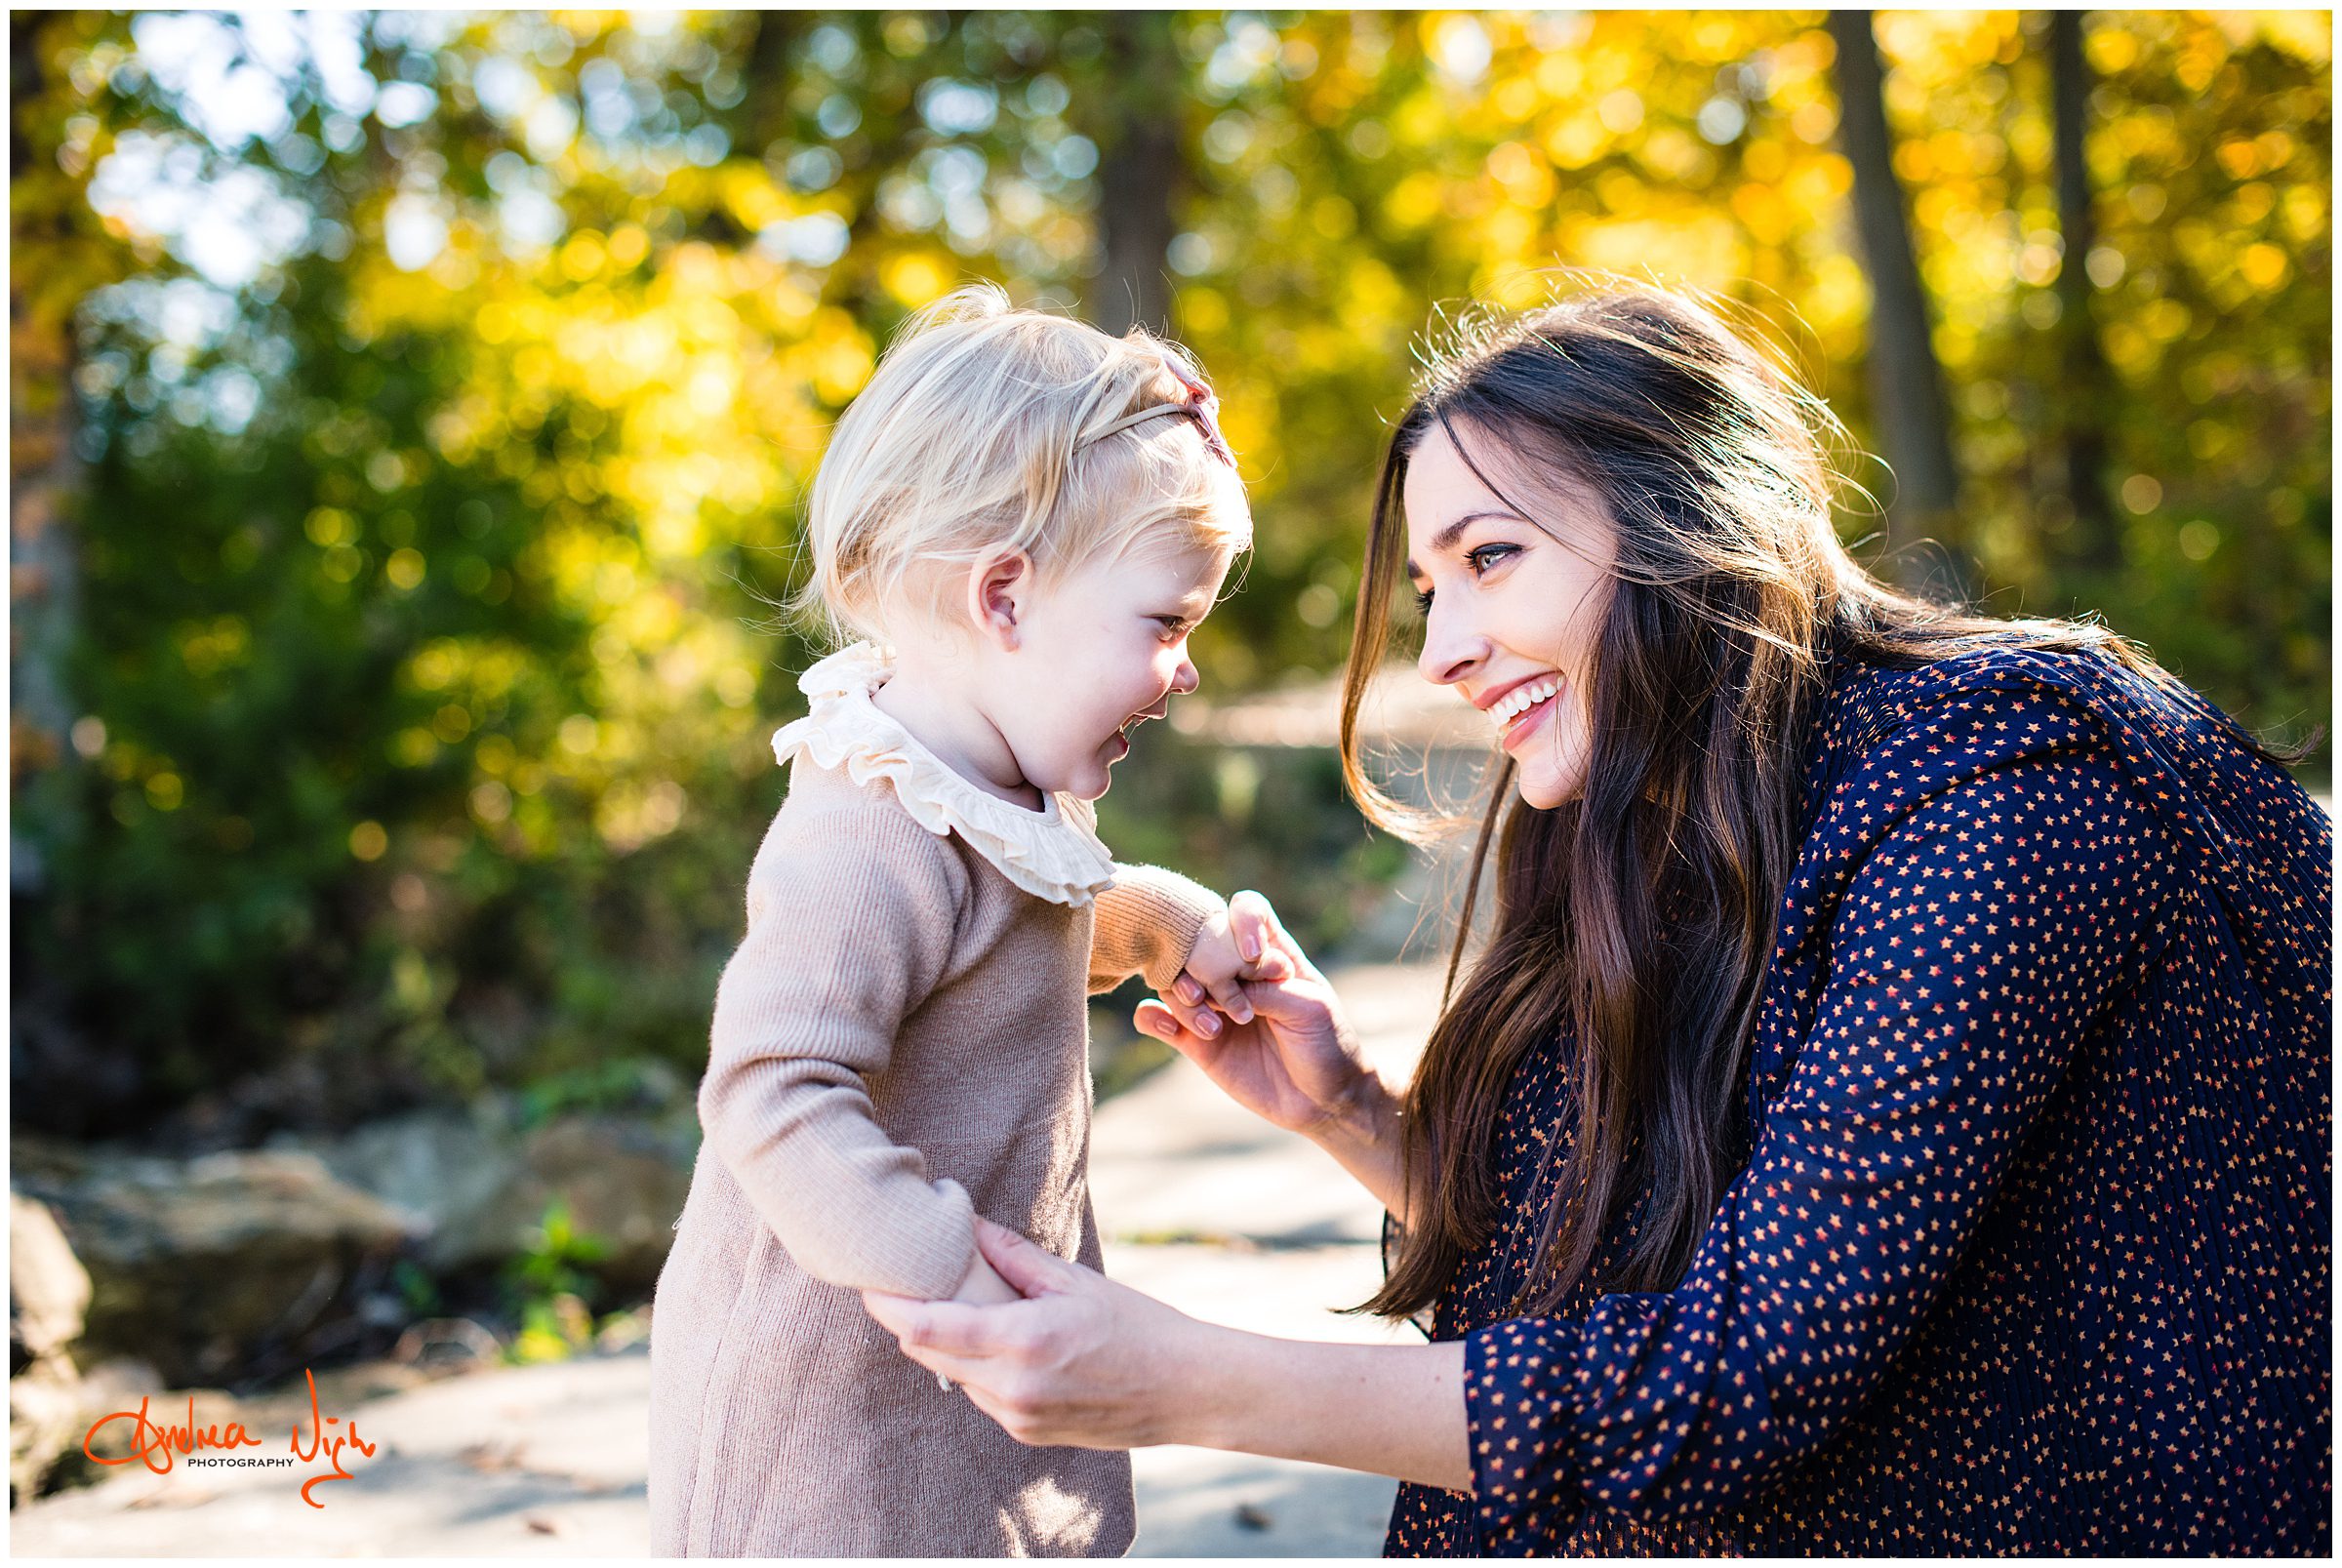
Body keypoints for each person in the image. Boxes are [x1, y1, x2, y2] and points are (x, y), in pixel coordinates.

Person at [861, 287, 2332, 1555]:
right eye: (1430, 587)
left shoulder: (2003, 803)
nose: (1443, 649)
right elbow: (1637, 1256)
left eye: (1492, 559)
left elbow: (1750, 1371)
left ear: (1690, 523)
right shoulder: (1650, 806)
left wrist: (1180, 1379)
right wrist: (1356, 1114)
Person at [648, 284, 1283, 1556]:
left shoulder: (998, 789)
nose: (1189, 666)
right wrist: (957, 1273)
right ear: (1004, 600)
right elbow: (774, 1087)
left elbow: (1027, 925)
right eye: (1166, 622)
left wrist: (1158, 923)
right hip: (837, 1422)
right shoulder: (872, 820)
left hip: (959, 1377)